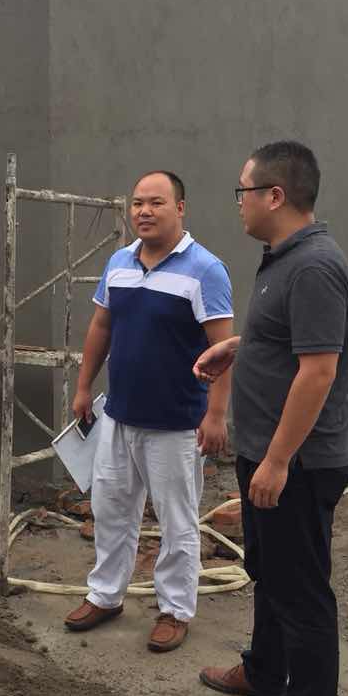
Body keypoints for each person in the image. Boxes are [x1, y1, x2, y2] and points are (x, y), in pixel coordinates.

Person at [194, 141, 348, 696]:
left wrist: (279, 460)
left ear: (275, 195)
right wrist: (238, 346)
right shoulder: (285, 260)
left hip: (299, 463)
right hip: (268, 451)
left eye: (243, 190)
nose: (237, 202)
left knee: (300, 588)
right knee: (269, 572)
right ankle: (265, 671)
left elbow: (319, 371)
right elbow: (294, 339)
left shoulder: (314, 267)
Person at [65, 170, 234, 651]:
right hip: (119, 415)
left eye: (156, 202)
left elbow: (224, 350)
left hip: (176, 423)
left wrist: (216, 416)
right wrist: (83, 387)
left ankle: (175, 610)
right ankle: (105, 595)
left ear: (180, 208)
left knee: (177, 522)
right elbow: (101, 327)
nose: (143, 211)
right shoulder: (119, 262)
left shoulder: (205, 270)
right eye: (137, 202)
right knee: (111, 510)